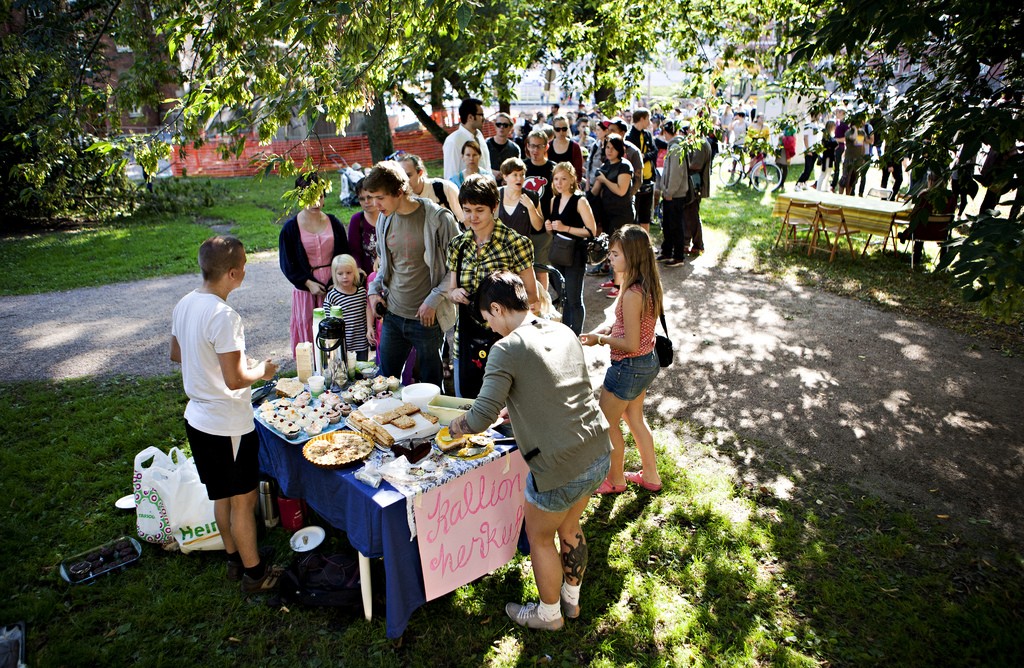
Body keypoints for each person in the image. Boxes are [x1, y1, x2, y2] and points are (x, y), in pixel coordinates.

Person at [447, 270, 612, 631]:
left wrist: (452, 428)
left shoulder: (505, 348)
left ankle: (548, 614)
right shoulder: (561, 329)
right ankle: (571, 601)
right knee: (570, 525)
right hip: (598, 449)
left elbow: (480, 416)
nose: (491, 328)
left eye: (489, 319)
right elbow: (561, 388)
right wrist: (518, 407)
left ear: (497, 308)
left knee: (539, 537)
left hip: (558, 465)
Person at [170, 235, 281, 593]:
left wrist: (213, 365)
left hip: (197, 418)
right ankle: (255, 574)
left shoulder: (185, 302)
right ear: (232, 273)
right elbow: (235, 380)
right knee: (243, 501)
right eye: (244, 265)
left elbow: (177, 353)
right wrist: (261, 371)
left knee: (220, 495)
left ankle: (234, 558)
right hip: (226, 423)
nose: (246, 270)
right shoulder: (224, 316)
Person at [581, 225, 663, 495]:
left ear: (632, 256)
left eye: (615, 254)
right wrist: (605, 329)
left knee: (606, 424)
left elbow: (629, 343)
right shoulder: (645, 284)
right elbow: (630, 326)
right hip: (645, 362)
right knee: (634, 418)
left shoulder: (631, 294)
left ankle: (615, 480)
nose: (610, 258)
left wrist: (600, 340)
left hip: (628, 367)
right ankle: (650, 476)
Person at [366, 160, 459, 386]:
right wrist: (374, 291)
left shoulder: (439, 219)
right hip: (393, 316)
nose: (375, 204)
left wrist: (434, 300)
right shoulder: (384, 218)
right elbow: (385, 264)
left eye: (380, 198)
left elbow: (458, 266)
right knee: (385, 384)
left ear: (399, 191)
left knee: (431, 388)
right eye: (372, 198)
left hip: (427, 320)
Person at [446, 175, 538, 398]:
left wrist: (498, 305)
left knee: (505, 410)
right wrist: (455, 293)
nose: (472, 217)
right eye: (467, 210)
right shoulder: (458, 245)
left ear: (494, 207)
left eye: (479, 210)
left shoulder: (515, 243)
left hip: (506, 341)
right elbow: (450, 290)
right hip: (466, 341)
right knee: (467, 406)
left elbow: (532, 295)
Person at [278, 172, 350, 355]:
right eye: (310, 198)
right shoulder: (290, 228)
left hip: (334, 287)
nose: (316, 202)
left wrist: (336, 281)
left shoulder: (334, 223)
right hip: (306, 289)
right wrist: (307, 283)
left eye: (320, 196)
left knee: (335, 328)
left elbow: (344, 253)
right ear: (299, 198)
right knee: (309, 328)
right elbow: (287, 264)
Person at [544, 162, 598, 335]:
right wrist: (549, 227)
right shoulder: (554, 200)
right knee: (564, 297)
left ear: (572, 179)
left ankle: (577, 335)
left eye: (563, 179)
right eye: (556, 179)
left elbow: (591, 231)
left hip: (575, 254)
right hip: (558, 253)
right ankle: (567, 334)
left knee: (574, 299)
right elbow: (554, 232)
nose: (559, 183)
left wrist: (565, 228)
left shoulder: (580, 200)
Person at [590, 134, 635, 298]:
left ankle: (619, 284)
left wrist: (604, 180)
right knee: (611, 248)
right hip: (607, 213)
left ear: (619, 149)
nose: (609, 151)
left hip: (621, 214)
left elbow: (621, 190)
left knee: (620, 249)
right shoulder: (605, 165)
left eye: (613, 148)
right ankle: (615, 279)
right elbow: (595, 191)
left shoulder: (625, 166)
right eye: (607, 147)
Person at [498, 157, 547, 288]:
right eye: (515, 175)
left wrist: (530, 207)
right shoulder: (496, 195)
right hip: (499, 254)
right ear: (505, 176)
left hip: (522, 254)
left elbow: (538, 226)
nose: (519, 178)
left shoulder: (532, 196)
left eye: (522, 174)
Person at [322, 254, 374, 362]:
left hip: (361, 343)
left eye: (349, 273)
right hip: (342, 344)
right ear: (334, 275)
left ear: (355, 272)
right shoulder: (332, 296)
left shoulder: (361, 293)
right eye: (340, 273)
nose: (345, 276)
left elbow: (368, 311)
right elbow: (327, 319)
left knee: (361, 369)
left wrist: (370, 328)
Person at [398, 154, 464, 222]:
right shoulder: (400, 198)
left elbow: (464, 219)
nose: (404, 180)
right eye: (401, 176)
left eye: (408, 175)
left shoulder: (445, 188)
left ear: (420, 173)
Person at [625, 108, 658, 233]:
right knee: (634, 213)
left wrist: (644, 156)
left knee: (646, 213)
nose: (650, 122)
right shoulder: (629, 136)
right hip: (636, 180)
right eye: (648, 119)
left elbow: (654, 152)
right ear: (642, 119)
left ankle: (646, 238)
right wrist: (640, 157)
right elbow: (632, 156)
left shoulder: (647, 134)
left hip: (648, 178)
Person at [443, 98, 490, 180]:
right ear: (470, 117)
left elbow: (486, 167)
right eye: (481, 115)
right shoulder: (453, 141)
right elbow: (450, 176)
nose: (483, 118)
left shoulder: (479, 135)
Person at [347, 178, 379, 275]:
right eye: (362, 199)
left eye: (369, 197)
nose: (366, 202)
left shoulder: (389, 217)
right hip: (367, 276)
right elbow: (354, 251)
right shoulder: (357, 220)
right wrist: (358, 269)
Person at [547, 114, 584, 185]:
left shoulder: (575, 147)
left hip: (569, 186)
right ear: (553, 129)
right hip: (551, 185)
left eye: (564, 129)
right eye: (558, 129)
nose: (561, 132)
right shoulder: (548, 146)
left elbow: (578, 172)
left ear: (568, 128)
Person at [487, 112, 521, 184]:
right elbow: (479, 165)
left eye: (505, 125)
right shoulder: (485, 144)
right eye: (498, 124)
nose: (501, 127)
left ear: (510, 128)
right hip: (487, 183)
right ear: (495, 126)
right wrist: (491, 171)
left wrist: (507, 177)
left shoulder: (514, 149)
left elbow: (517, 169)